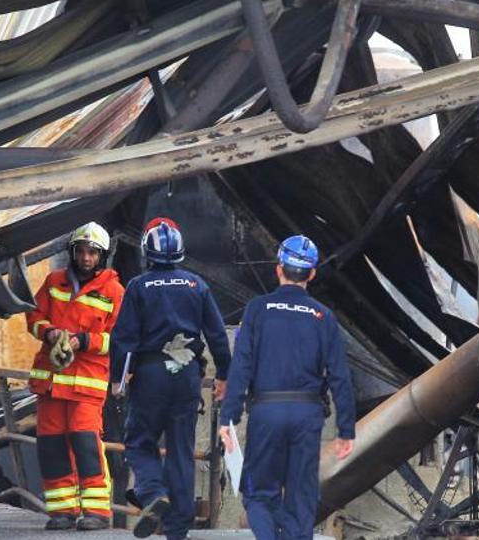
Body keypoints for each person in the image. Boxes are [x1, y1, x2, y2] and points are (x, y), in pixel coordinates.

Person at [218, 234, 356, 539]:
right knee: (301, 496)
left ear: (279, 268)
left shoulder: (257, 309)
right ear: (312, 273)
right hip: (307, 415)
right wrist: (346, 429)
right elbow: (339, 376)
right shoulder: (324, 317)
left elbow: (241, 366)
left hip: (267, 413)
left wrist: (228, 417)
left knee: (257, 494)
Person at [110, 217, 232, 539]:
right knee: (181, 450)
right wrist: (224, 374)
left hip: (150, 375)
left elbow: (123, 340)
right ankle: (178, 528)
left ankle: (152, 493)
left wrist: (119, 381)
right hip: (187, 376)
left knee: (139, 441)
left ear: (146, 253)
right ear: (180, 252)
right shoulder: (197, 285)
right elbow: (218, 335)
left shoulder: (137, 287)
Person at [26, 221, 124, 531]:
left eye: (92, 253)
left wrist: (84, 341)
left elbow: (119, 339)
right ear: (72, 252)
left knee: (86, 446)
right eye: (81, 252)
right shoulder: (54, 282)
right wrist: (51, 332)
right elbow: (33, 317)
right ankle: (62, 511)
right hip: (52, 385)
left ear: (102, 256)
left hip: (85, 386)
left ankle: (96, 512)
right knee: (51, 447)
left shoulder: (114, 291)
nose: (85, 258)